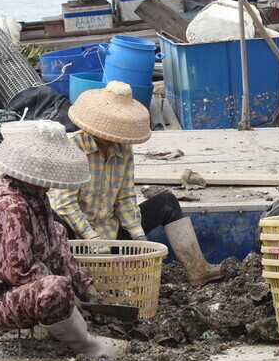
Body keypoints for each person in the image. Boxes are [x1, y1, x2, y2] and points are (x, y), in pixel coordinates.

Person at [0, 120, 126, 358]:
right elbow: (18, 272)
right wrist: (66, 293)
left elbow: (54, 249)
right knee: (55, 289)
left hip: (17, 290)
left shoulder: (36, 197)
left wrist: (84, 287)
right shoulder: (10, 207)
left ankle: (71, 318)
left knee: (57, 230)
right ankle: (86, 345)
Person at [50, 81, 223, 287]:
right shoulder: (73, 149)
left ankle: (198, 269)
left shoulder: (123, 150)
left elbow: (125, 198)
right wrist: (91, 238)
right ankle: (65, 277)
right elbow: (65, 204)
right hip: (77, 239)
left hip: (111, 237)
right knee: (52, 219)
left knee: (167, 202)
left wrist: (138, 235)